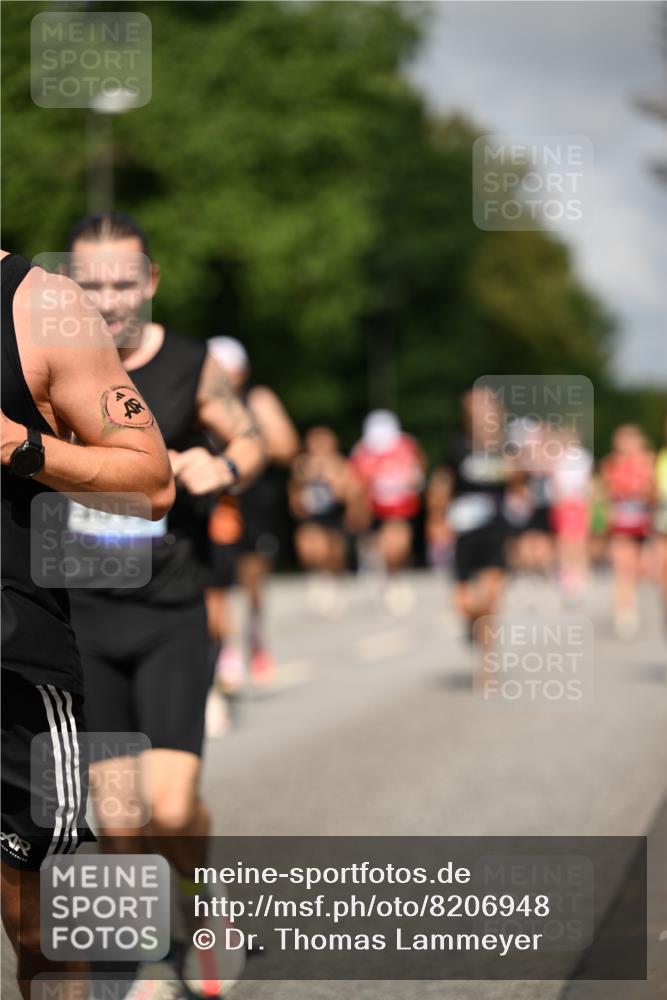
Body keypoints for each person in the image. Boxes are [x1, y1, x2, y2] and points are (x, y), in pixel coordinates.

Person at [62, 214, 264, 994]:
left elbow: (248, 439)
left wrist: (224, 468)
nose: (107, 299)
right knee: (118, 820)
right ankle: (156, 957)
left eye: (122, 282)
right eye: (90, 284)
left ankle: (205, 903)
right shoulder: (50, 362)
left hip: (168, 610)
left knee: (171, 809)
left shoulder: (189, 363)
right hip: (83, 618)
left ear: (149, 281)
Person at [1, 249, 174, 999]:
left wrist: (21, 446)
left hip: (12, 663)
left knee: (37, 934)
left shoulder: (44, 306)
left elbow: (150, 479)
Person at [206, 336, 299, 691]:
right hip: (214, 501)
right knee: (215, 580)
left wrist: (245, 441)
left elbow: (287, 448)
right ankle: (226, 651)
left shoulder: (258, 400)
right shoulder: (194, 398)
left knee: (252, 578)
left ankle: (255, 633)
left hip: (255, 500)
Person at [427, 387, 512, 650]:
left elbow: (522, 491)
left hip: (496, 533)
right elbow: (442, 484)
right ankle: (473, 624)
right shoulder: (457, 448)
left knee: (490, 596)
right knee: (463, 603)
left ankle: (486, 662)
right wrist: (437, 520)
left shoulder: (507, 449)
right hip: (464, 535)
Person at [349, 410, 426, 615]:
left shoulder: (408, 446)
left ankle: (394, 577)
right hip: (374, 510)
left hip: (401, 509)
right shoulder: (361, 451)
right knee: (386, 547)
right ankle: (387, 575)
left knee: (398, 547)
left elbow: (418, 475)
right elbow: (354, 485)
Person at [289, 426, 363, 616]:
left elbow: (350, 494)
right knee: (311, 548)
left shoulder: (341, 465)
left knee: (334, 553)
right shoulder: (302, 465)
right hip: (312, 517)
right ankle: (319, 578)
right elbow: (295, 496)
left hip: (334, 516)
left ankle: (335, 581)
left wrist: (331, 479)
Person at [601, 424, 655, 639]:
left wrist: (645, 491)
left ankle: (630, 604)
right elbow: (606, 495)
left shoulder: (648, 461)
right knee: (622, 567)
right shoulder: (611, 463)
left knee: (636, 568)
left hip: (642, 524)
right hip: (620, 524)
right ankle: (624, 611)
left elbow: (654, 494)